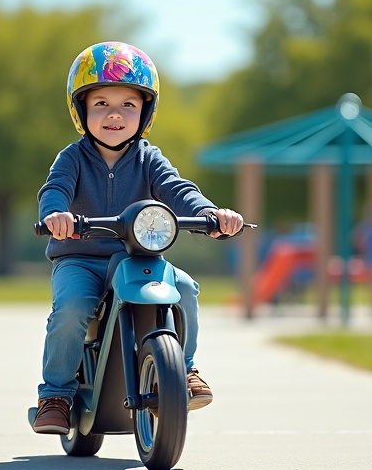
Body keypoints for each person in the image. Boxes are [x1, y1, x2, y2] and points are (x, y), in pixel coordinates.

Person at [33, 41, 244, 435]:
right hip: (81, 257)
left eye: (129, 104)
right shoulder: (72, 158)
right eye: (101, 104)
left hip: (136, 256)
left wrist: (211, 213)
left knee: (185, 288)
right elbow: (55, 190)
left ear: (145, 112)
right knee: (72, 307)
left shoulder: (149, 158)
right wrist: (55, 215)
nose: (115, 114)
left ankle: (185, 368)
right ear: (81, 111)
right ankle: (56, 395)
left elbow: (178, 188)